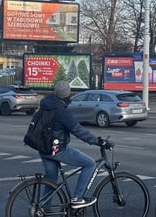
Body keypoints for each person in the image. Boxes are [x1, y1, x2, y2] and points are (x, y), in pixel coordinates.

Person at [39, 80, 109, 209]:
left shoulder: (45, 105)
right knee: (89, 164)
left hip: (43, 148)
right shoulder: (62, 112)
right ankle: (77, 198)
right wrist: (97, 141)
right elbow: (78, 131)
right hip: (58, 149)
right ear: (67, 95)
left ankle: (43, 213)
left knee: (51, 182)